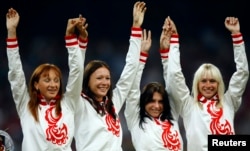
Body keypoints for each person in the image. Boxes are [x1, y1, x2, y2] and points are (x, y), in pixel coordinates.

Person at [6, 8, 88, 150]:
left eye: (56, 80)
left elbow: (77, 71)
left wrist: (73, 39)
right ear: (36, 84)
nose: (53, 84)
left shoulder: (68, 104)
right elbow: (16, 74)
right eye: (47, 80)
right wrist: (12, 32)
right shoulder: (26, 106)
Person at [167, 16, 249, 151]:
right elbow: (174, 76)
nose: (208, 85)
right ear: (197, 84)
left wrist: (236, 36)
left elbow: (242, 73)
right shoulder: (188, 105)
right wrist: (174, 42)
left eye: (212, 81)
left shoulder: (229, 101)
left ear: (219, 84)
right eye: (203, 81)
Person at [73, 1, 146, 150]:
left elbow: (129, 71)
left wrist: (136, 29)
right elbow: (76, 72)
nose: (104, 82)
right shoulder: (79, 104)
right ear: (87, 81)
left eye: (107, 78)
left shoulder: (112, 104)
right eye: (99, 78)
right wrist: (81, 44)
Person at [124, 17, 183, 151]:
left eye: (160, 101)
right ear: (143, 102)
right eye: (151, 101)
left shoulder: (172, 117)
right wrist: (141, 56)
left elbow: (174, 79)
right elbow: (132, 88)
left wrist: (169, 49)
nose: (156, 106)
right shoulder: (135, 121)